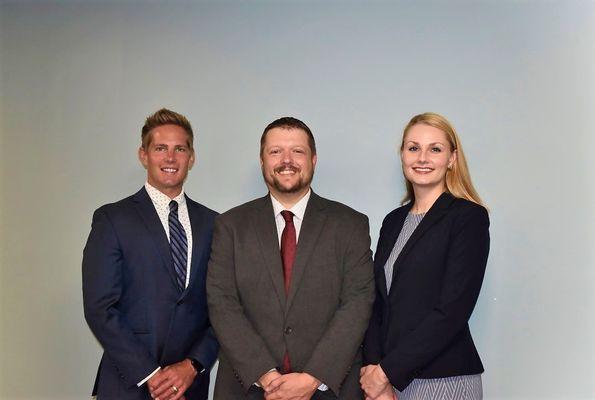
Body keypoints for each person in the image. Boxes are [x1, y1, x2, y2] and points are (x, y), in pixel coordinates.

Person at [207, 117, 375, 399]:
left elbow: (358, 302)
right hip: (248, 388)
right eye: (275, 152)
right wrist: (265, 374)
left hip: (328, 389)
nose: (287, 160)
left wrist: (312, 378)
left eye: (297, 151)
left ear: (314, 159)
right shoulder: (230, 226)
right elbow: (221, 303)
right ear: (262, 161)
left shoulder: (350, 224)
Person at [82, 108, 218, 400]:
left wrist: (193, 365)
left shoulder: (215, 224)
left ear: (191, 157)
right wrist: (152, 376)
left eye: (179, 149)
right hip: (128, 384)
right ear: (143, 155)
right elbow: (100, 307)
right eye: (160, 148)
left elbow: (223, 308)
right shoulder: (112, 219)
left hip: (190, 387)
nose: (170, 158)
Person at [361, 112, 490, 400]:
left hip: (443, 380)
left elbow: (452, 311)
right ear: (403, 155)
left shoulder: (468, 218)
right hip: (387, 382)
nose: (422, 158)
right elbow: (377, 303)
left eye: (435, 149)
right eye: (413, 147)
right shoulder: (393, 221)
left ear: (452, 159)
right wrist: (372, 370)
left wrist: (384, 372)